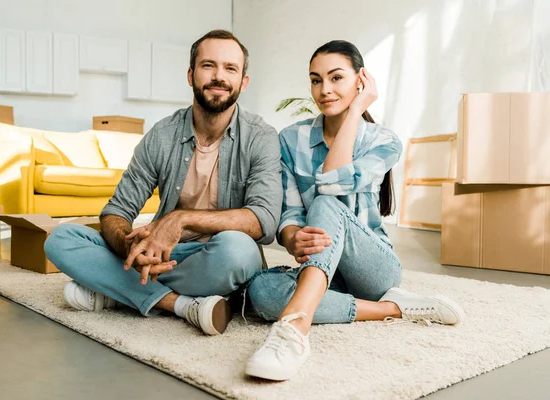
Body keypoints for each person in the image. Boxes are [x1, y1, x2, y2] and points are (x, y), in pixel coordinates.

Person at [244, 40, 465, 381]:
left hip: (373, 270)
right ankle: (393, 309)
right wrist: (292, 239)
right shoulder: (290, 139)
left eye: (336, 78)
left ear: (360, 81)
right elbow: (288, 214)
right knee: (260, 292)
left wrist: (355, 110)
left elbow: (331, 184)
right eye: (316, 80)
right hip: (324, 272)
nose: (324, 90)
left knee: (325, 201)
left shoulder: (383, 140)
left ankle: (294, 330)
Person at [44, 30, 282, 336]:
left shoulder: (261, 136)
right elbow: (116, 210)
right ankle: (180, 304)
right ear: (190, 74)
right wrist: (130, 246)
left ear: (243, 82)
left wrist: (179, 220)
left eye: (230, 68)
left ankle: (118, 291)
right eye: (208, 66)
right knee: (60, 238)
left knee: (239, 251)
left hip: (216, 255)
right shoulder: (162, 134)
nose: (218, 76)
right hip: (163, 254)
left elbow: (264, 221)